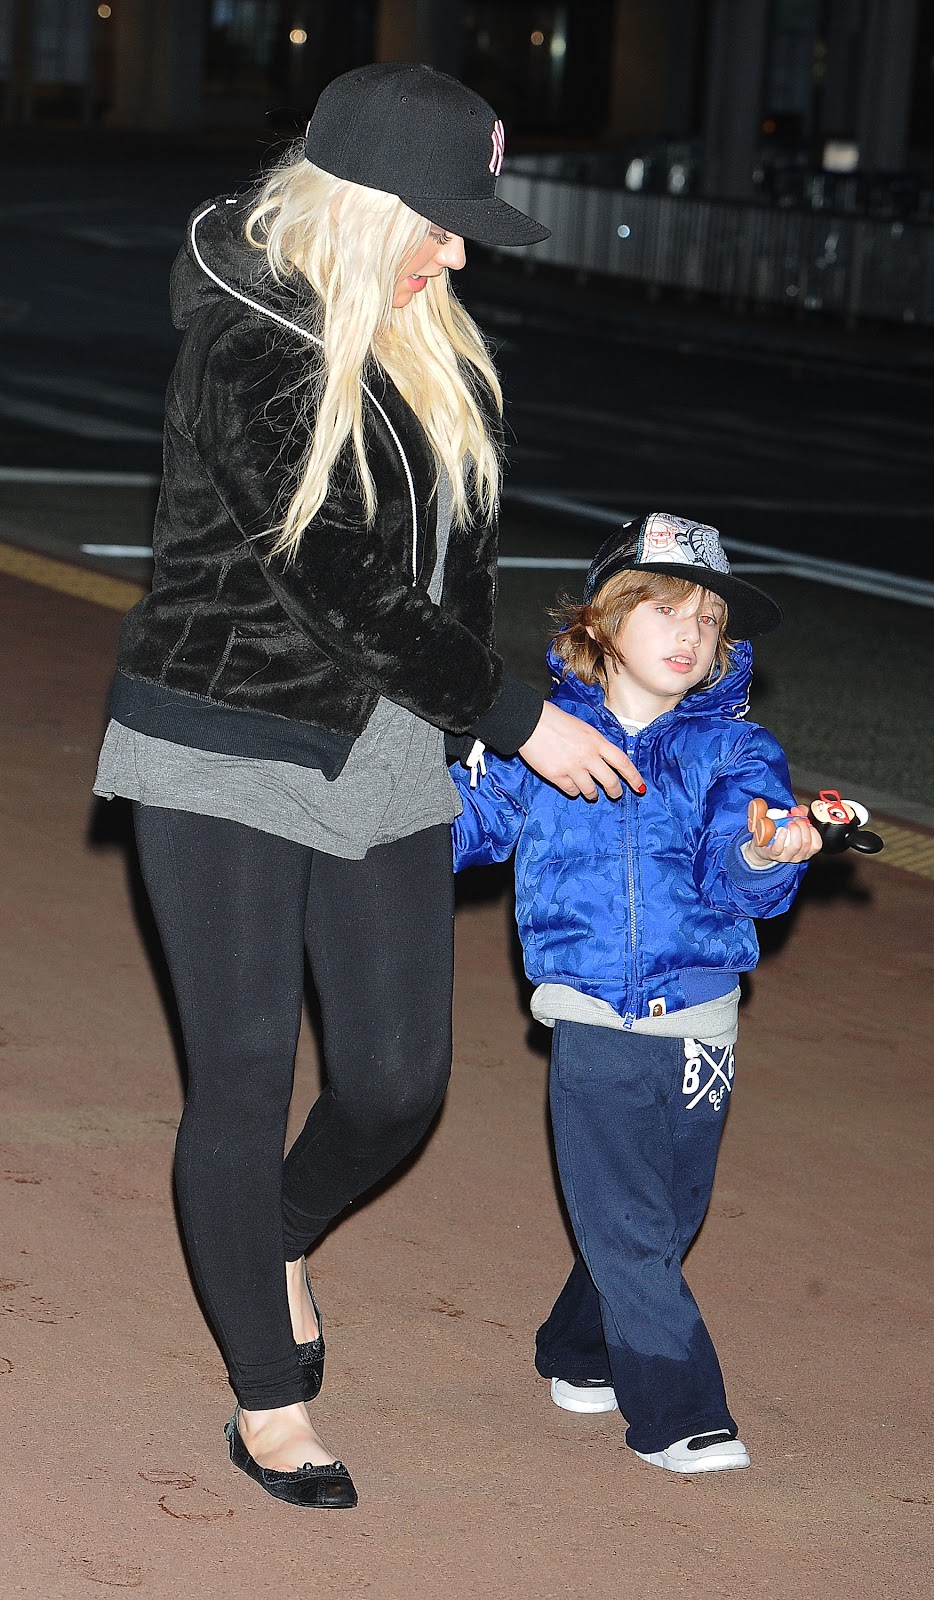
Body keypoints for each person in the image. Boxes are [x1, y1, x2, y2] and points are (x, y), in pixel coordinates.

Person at [92, 63, 644, 1509]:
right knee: (244, 1076)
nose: (459, 251)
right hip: (220, 736)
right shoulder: (247, 340)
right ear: (366, 207)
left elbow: (447, 582)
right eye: (443, 222)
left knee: (400, 1081)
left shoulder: (428, 339)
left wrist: (491, 712)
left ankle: (264, 1232)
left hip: (389, 739)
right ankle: (269, 1406)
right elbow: (327, 568)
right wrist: (520, 720)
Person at [451, 512, 822, 1474]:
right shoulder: (543, 739)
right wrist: (406, 801)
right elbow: (465, 829)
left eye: (708, 617)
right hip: (592, 1015)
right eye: (663, 609)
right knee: (629, 1224)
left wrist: (764, 850)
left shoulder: (735, 751)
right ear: (600, 624)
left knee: (664, 1215)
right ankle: (679, 1411)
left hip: (700, 1016)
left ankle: (579, 1351)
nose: (691, 633)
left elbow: (740, 874)